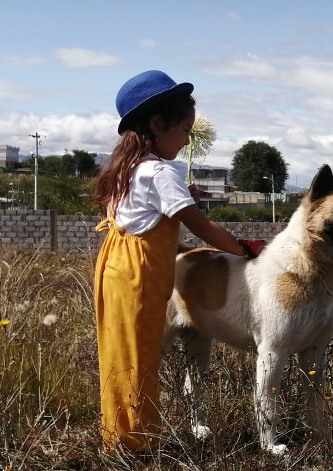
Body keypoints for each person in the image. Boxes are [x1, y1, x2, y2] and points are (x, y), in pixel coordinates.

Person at [90, 69, 265, 453]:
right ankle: (137, 444)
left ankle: (118, 436)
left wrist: (184, 191)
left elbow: (149, 206)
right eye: (184, 130)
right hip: (141, 273)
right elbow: (200, 226)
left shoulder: (128, 168)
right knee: (140, 355)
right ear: (157, 123)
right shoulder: (160, 171)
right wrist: (243, 249)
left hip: (113, 267)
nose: (187, 140)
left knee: (119, 351)